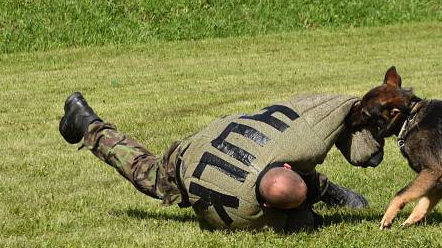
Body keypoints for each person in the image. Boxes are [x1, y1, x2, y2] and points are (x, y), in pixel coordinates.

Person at [58, 91, 382, 232]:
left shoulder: (282, 147)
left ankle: (83, 117)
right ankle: (87, 124)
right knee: (149, 174)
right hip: (188, 163)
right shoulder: (254, 217)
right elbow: (302, 222)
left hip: (208, 142)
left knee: (291, 182)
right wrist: (308, 220)